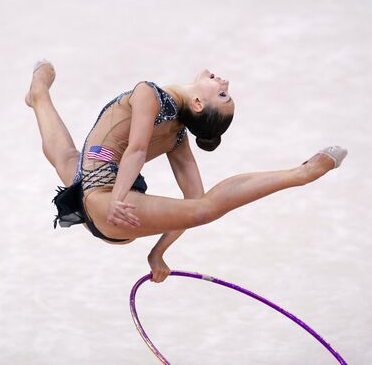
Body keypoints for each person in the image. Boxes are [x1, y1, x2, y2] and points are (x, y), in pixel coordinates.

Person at [25, 60, 348, 283]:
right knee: (68, 157)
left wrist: (146, 235)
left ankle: (300, 174)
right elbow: (190, 198)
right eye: (225, 91)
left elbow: (143, 155)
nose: (225, 82)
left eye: (222, 94)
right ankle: (39, 94)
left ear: (197, 103)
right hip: (102, 200)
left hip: (113, 205)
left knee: (203, 208)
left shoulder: (150, 97)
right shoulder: (176, 131)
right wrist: (155, 251)